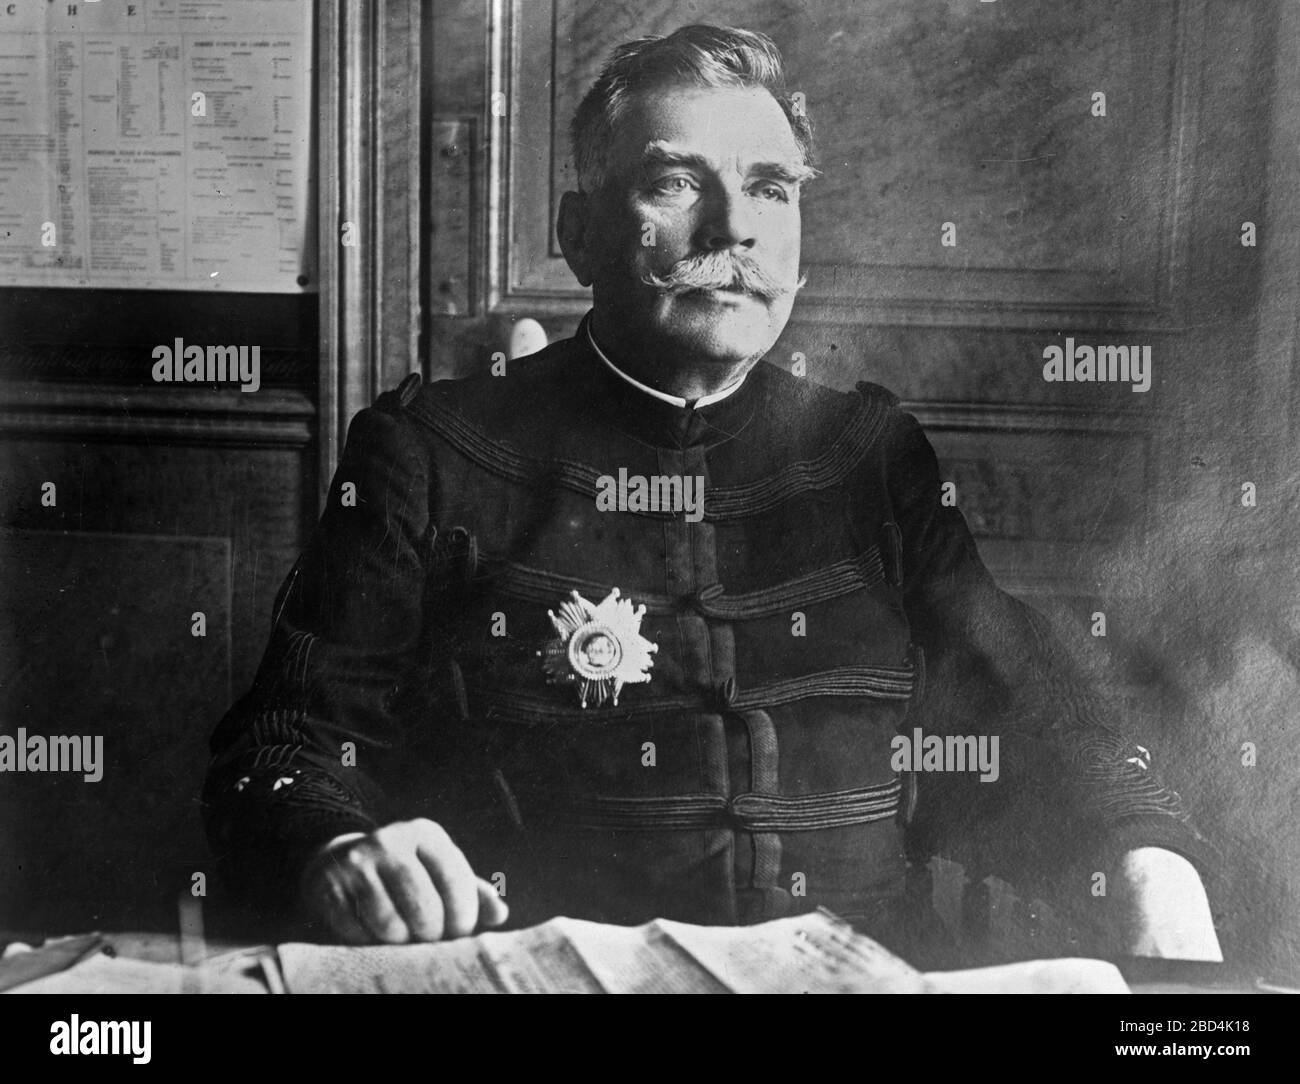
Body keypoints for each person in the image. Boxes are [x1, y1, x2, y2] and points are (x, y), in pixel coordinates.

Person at [203, 24, 1221, 964]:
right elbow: (285, 743)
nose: (734, 226)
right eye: (676, 183)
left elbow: (1021, 715)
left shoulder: (873, 456)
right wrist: (337, 841)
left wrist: (1145, 855)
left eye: (771, 187)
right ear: (579, 233)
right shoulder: (430, 453)